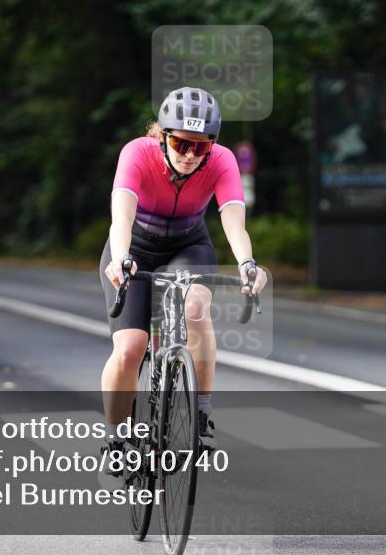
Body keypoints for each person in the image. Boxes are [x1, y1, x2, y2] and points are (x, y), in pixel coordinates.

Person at [99, 86, 268, 465]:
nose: (190, 155)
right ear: (162, 136)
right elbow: (121, 216)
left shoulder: (222, 161)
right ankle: (115, 440)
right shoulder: (136, 153)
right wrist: (121, 258)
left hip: (187, 247)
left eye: (201, 147)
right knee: (130, 348)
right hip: (134, 249)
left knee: (195, 308)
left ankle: (201, 413)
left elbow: (233, 221)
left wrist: (246, 263)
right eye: (180, 144)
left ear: (213, 145)